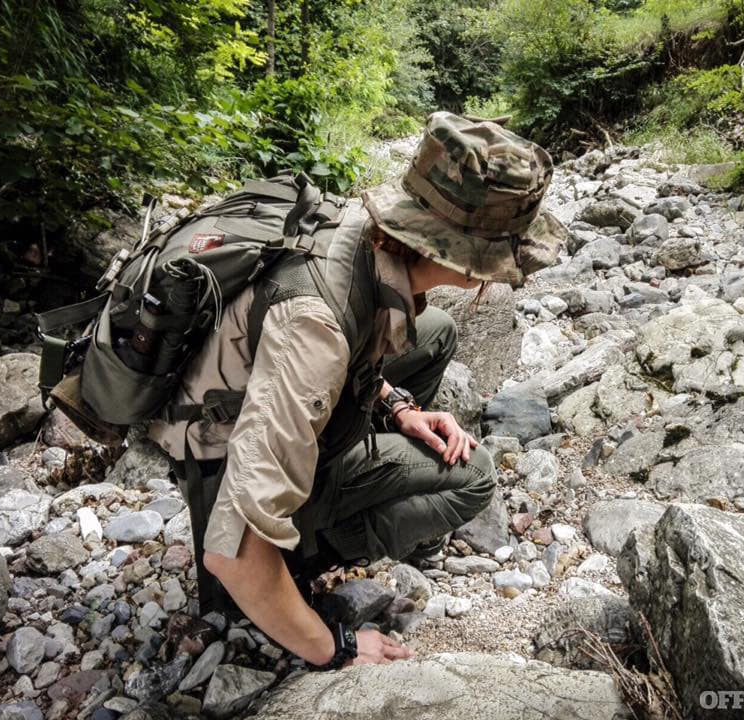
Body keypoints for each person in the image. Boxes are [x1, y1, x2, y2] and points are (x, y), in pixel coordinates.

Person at [148, 111, 567, 670]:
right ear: (470, 262)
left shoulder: (363, 233)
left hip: (246, 397)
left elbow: (346, 340)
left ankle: (317, 504)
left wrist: (397, 407)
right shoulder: (316, 333)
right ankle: (297, 562)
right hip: (216, 459)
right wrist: (335, 648)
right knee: (474, 477)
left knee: (436, 332)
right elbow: (235, 557)